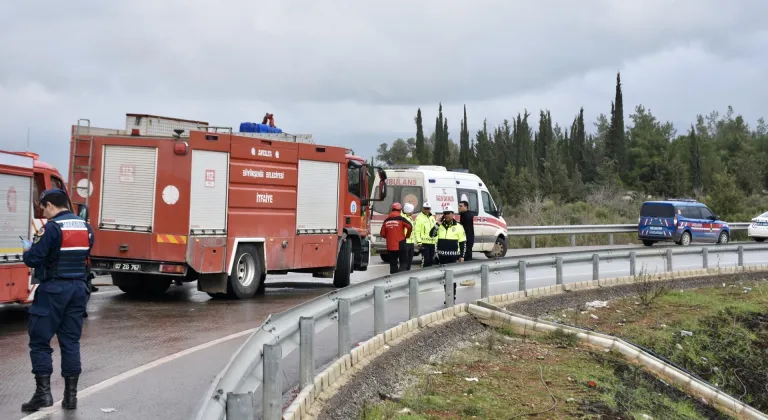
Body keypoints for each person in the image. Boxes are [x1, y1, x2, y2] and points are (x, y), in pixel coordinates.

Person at [20, 188, 94, 413]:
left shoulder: (51, 228)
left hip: (53, 289)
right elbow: (85, 253)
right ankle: (71, 398)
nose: (44, 212)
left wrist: (28, 248)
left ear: (50, 205)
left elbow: (33, 259)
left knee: (40, 341)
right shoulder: (86, 227)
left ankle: (43, 394)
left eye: (44, 208)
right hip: (78, 289)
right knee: (70, 342)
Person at [436, 206, 466, 304]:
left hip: (453, 257)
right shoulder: (440, 226)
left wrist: (462, 256)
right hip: (442, 257)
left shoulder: (458, 227)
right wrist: (437, 224)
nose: (447, 215)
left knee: (452, 279)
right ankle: (447, 296)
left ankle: (452, 297)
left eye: (449, 213)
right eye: (445, 213)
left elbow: (463, 243)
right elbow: (431, 234)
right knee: (445, 279)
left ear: (453, 214)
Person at [379, 202, 412, 274]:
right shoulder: (401, 219)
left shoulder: (386, 220)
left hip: (390, 246)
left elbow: (382, 233)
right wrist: (407, 236)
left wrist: (389, 237)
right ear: (400, 210)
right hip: (401, 244)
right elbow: (409, 226)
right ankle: (400, 278)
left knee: (393, 264)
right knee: (403, 262)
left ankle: (393, 279)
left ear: (392, 210)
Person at [414, 202, 437, 268]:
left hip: (432, 243)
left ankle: (428, 274)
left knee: (430, 260)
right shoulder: (419, 218)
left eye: (428, 209)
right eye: (425, 208)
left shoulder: (432, 217)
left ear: (430, 209)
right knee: (425, 260)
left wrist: (436, 240)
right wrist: (419, 242)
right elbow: (416, 231)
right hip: (424, 243)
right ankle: (422, 273)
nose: (427, 210)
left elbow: (435, 229)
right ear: (423, 209)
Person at [402, 203, 416, 270]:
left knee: (409, 261)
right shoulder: (403, 218)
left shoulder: (410, 218)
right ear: (409, 211)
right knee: (405, 261)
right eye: (412, 210)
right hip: (405, 243)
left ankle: (407, 273)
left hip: (411, 243)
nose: (413, 211)